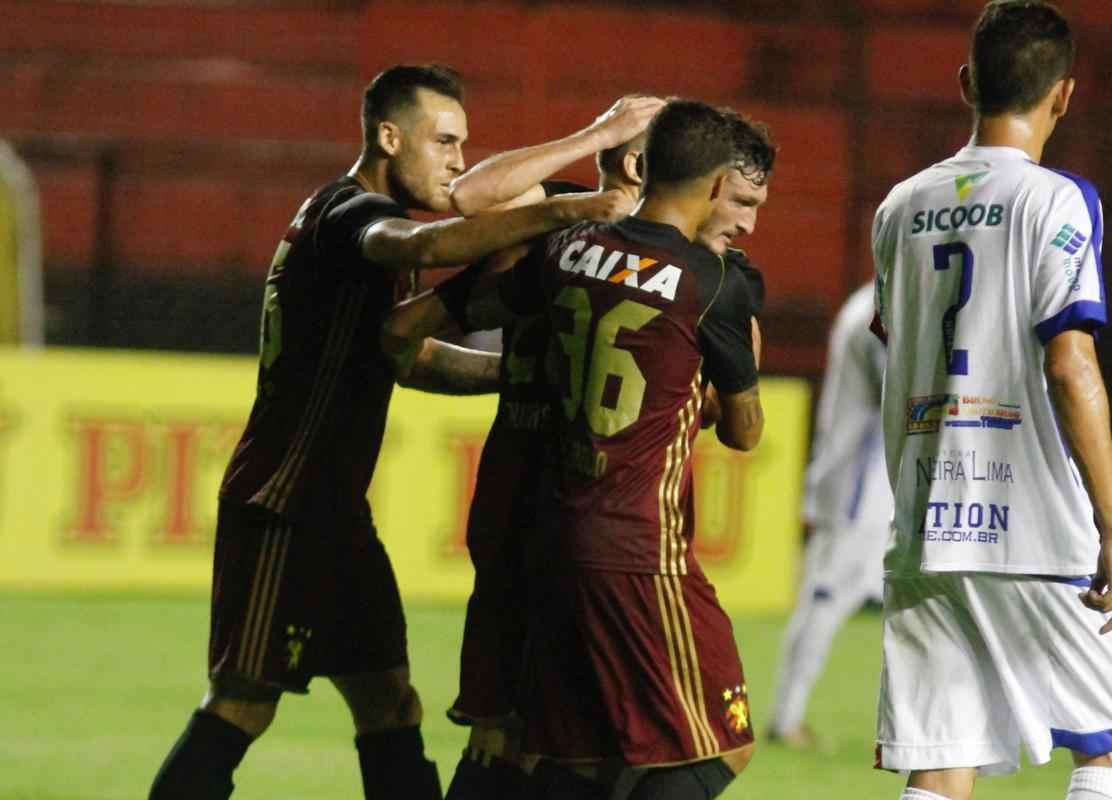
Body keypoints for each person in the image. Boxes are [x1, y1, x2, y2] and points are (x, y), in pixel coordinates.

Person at [147, 63, 629, 800]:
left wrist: (521, 376)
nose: (458, 161)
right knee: (243, 702)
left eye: (462, 143)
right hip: (286, 503)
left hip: (336, 513)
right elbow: (424, 247)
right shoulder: (348, 214)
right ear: (388, 137)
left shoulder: (357, 230)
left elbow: (410, 358)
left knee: (389, 701)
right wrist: (573, 206)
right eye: (443, 141)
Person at [384, 99, 774, 800]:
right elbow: (740, 425)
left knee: (547, 748)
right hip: (624, 544)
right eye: (740, 200)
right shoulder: (705, 278)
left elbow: (411, 323)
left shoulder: (557, 240)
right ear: (703, 181)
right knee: (712, 744)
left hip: (531, 520)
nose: (746, 221)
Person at [871, 3, 1112, 799]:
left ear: (967, 83)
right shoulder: (1058, 200)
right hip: (1036, 527)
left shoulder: (899, 206)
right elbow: (1069, 365)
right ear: (1064, 94)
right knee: (1105, 750)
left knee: (943, 763)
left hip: (927, 527)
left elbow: (897, 344)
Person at [767, 281, 890, 750]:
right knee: (825, 597)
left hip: (870, 480)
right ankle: (786, 717)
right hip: (857, 481)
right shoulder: (876, 311)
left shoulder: (869, 302)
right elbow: (898, 392)